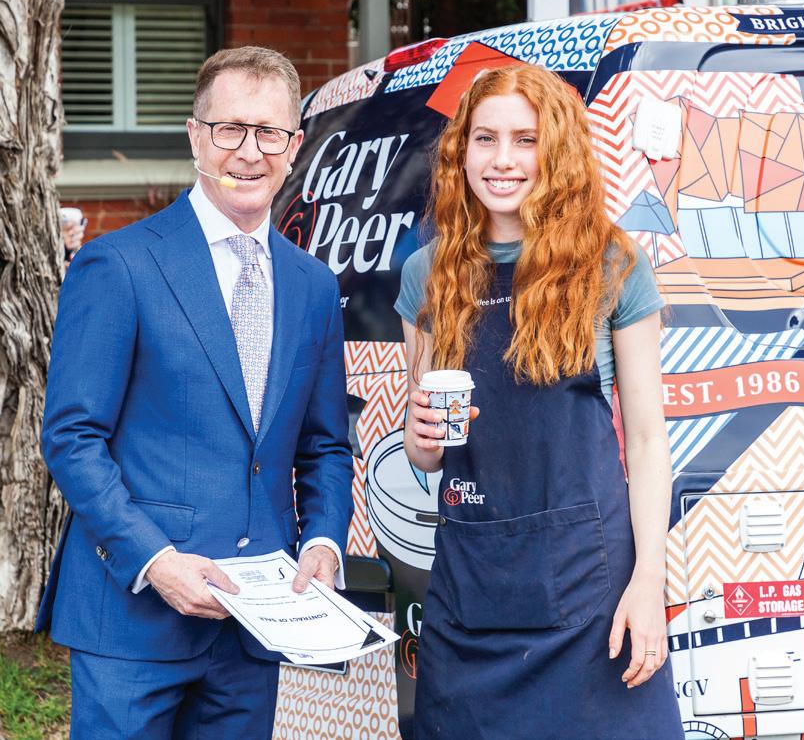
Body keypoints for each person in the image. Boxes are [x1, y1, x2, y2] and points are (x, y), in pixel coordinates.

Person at [37, 46, 354, 739]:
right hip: (133, 620)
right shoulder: (118, 264)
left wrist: (326, 542)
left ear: (295, 146)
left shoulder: (312, 286)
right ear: (195, 136)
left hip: (253, 630)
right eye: (230, 129)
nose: (249, 151)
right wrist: (155, 561)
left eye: (269, 132)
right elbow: (72, 437)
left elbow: (326, 444)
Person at [395, 64, 684, 739]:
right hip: (471, 591)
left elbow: (647, 442)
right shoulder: (426, 275)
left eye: (525, 140)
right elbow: (426, 452)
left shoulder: (612, 265)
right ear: (461, 151)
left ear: (557, 151)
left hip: (591, 593)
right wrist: (421, 436)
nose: (503, 160)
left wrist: (649, 583)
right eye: (486, 138)